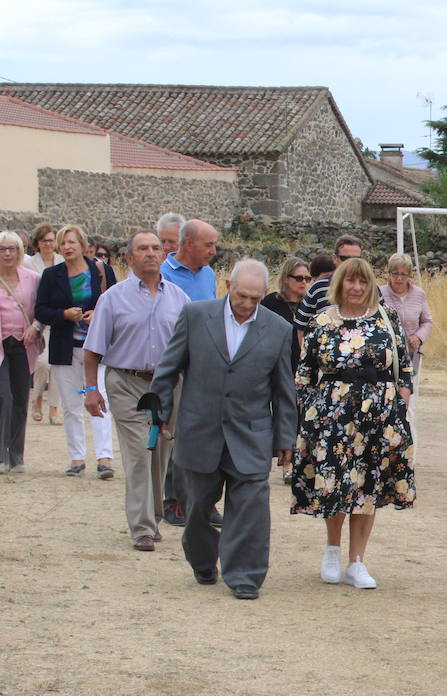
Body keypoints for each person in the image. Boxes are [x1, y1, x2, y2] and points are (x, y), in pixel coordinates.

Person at [150, 260, 296, 598]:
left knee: (251, 510)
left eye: (255, 299)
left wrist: (286, 437)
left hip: (251, 434)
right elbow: (169, 367)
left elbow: (284, 389)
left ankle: (245, 576)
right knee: (197, 508)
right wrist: (160, 410)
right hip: (199, 430)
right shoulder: (195, 315)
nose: (247, 304)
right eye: (242, 295)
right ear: (227, 285)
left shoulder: (278, 329)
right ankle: (202, 560)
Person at [292, 257, 415, 590]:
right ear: (340, 284)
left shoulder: (387, 319)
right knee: (336, 483)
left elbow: (403, 368)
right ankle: (332, 550)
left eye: (363, 282)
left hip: (378, 416)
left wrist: (399, 403)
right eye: (351, 281)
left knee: (368, 487)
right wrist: (309, 415)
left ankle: (357, 561)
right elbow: (304, 374)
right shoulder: (322, 321)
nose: (357, 288)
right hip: (333, 416)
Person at [82, 231, 189, 550]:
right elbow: (92, 350)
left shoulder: (179, 298)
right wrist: (91, 388)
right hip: (126, 381)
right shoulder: (113, 298)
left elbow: (190, 349)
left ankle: (153, 515)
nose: (151, 254)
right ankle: (141, 527)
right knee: (140, 450)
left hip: (168, 384)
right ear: (128, 257)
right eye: (142, 248)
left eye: (156, 248)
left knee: (161, 451)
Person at [35, 224, 117, 478]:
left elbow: (116, 304)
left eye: (72, 242)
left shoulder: (101, 271)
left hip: (95, 348)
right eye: (63, 243)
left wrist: (98, 315)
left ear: (83, 245)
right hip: (64, 347)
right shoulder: (51, 275)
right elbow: (41, 311)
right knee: (71, 404)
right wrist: (63, 314)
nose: (67, 247)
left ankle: (104, 458)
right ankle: (77, 457)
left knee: (98, 398)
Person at [158, 218, 220, 525]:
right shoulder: (162, 274)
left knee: (207, 437)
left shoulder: (208, 274)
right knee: (175, 437)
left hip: (206, 368)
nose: (213, 250)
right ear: (187, 244)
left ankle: (204, 502)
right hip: (175, 368)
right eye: (208, 244)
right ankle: (175, 501)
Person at [0, 231, 42, 472]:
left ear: (19, 251)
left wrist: (35, 328)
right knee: (3, 397)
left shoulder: (33, 278)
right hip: (1, 346)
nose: (7, 253)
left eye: (12, 248)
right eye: (2, 249)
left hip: (23, 346)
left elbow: (41, 310)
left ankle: (16, 455)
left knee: (20, 400)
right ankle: (1, 455)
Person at [378, 253, 433, 403]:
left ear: (409, 275)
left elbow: (427, 321)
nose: (399, 278)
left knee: (409, 398)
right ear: (389, 273)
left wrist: (419, 337)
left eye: (403, 274)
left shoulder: (419, 294)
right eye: (395, 273)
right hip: (386, 355)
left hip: (411, 354)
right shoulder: (379, 294)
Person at [295, 235, 364, 343]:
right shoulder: (318, 288)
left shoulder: (371, 290)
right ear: (334, 259)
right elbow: (301, 328)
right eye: (345, 259)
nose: (351, 264)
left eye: (356, 259)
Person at [24, 223, 59, 425]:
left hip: (60, 319)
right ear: (38, 243)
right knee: (43, 364)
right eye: (45, 240)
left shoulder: (62, 261)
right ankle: (36, 398)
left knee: (59, 367)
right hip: (40, 318)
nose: (48, 244)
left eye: (51, 240)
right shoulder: (30, 264)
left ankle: (54, 409)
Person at [260, 257, 310, 371]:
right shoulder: (270, 302)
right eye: (298, 278)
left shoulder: (309, 305)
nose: (303, 282)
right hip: (274, 365)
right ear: (286, 279)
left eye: (307, 278)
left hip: (301, 367)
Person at [160, 219, 218, 302]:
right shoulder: (161, 276)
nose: (213, 252)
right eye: (208, 245)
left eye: (214, 245)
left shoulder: (208, 272)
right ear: (189, 244)